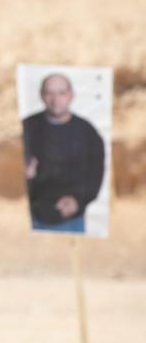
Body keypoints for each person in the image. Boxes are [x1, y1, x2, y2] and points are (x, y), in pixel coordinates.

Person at [22, 73, 105, 233]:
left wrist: (77, 200)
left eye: (61, 93)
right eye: (49, 93)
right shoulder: (27, 127)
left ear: (71, 95)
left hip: (72, 221)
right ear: (41, 96)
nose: (55, 99)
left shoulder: (87, 132)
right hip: (31, 217)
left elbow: (96, 174)